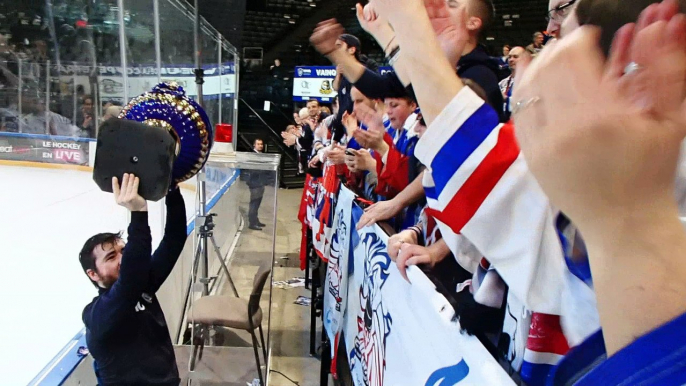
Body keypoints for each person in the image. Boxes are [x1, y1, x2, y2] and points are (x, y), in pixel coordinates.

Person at [80, 173, 187, 385]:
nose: (122, 259)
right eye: (111, 257)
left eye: (123, 251)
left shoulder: (142, 286)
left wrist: (172, 189)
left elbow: (174, 239)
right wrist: (138, 213)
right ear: (93, 274)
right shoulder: (98, 314)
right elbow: (131, 277)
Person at [248, 138, 269, 230]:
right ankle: (252, 223)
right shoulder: (252, 155)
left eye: (261, 144)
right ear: (254, 145)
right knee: (254, 203)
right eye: (258, 144)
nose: (260, 146)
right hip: (255, 183)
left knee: (257, 203)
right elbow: (253, 170)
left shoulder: (261, 155)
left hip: (260, 183)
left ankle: (256, 220)